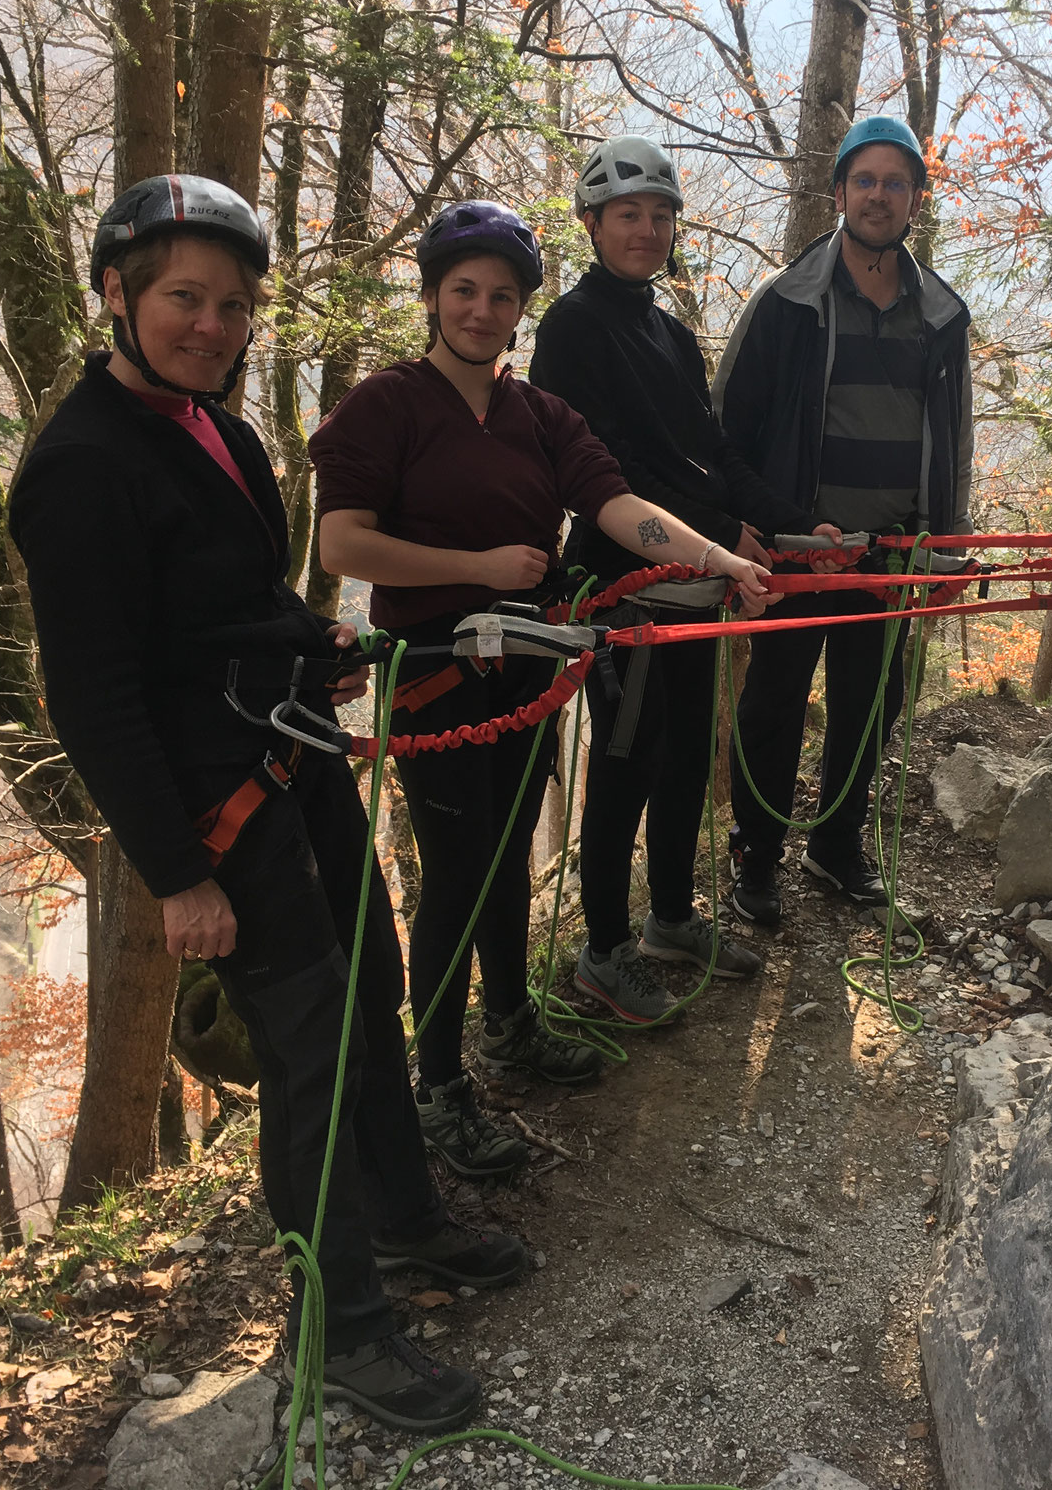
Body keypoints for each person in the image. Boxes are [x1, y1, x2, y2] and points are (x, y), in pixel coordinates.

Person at [9, 175, 517, 1433]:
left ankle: (402, 1222)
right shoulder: (77, 469)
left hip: (287, 754)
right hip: (214, 809)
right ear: (117, 293)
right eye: (184, 297)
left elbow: (237, 599)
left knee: (376, 985)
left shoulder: (217, 428)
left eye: (233, 304)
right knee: (313, 1047)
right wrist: (176, 875)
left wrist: (313, 648)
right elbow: (94, 697)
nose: (212, 324)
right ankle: (340, 1328)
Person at [312, 201, 777, 1177]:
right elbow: (342, 542)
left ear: (521, 310)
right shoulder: (386, 406)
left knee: (506, 861)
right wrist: (480, 565)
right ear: (434, 296)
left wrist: (712, 559)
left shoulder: (537, 416)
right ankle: (436, 1087)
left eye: (501, 296)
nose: (481, 311)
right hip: (434, 679)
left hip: (523, 673)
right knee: (454, 876)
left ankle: (509, 1022)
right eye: (464, 291)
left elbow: (617, 507)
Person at [527, 137, 845, 1017]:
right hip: (624, 588)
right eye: (629, 214)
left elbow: (712, 456)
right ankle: (601, 950)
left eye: (661, 215)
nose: (648, 230)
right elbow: (603, 468)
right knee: (626, 766)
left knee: (677, 762)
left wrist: (786, 523)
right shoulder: (572, 327)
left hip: (693, 582)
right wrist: (721, 541)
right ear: (593, 224)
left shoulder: (669, 330)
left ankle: (668, 916)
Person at [712, 118, 974, 925]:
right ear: (839, 195)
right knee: (773, 703)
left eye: (897, 183)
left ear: (915, 202)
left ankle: (834, 845)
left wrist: (947, 544)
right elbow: (726, 432)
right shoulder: (787, 303)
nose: (879, 195)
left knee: (873, 702)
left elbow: (953, 436)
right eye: (865, 180)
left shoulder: (939, 316)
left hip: (892, 552)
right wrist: (742, 531)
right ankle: (756, 857)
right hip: (798, 551)